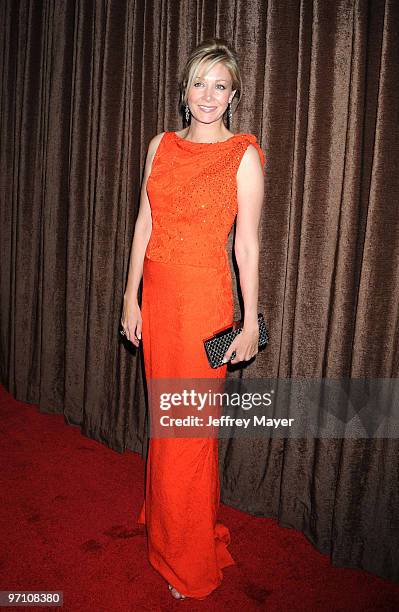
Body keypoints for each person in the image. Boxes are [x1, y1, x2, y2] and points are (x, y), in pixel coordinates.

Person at [121, 38, 265, 601]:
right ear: (185, 90)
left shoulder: (243, 154)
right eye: (199, 83)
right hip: (157, 295)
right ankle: (170, 522)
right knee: (167, 420)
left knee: (190, 430)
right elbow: (143, 225)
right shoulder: (160, 144)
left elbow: (247, 247)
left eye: (220, 86)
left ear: (233, 95)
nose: (209, 96)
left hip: (206, 305)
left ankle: (185, 558)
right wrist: (129, 296)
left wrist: (251, 320)